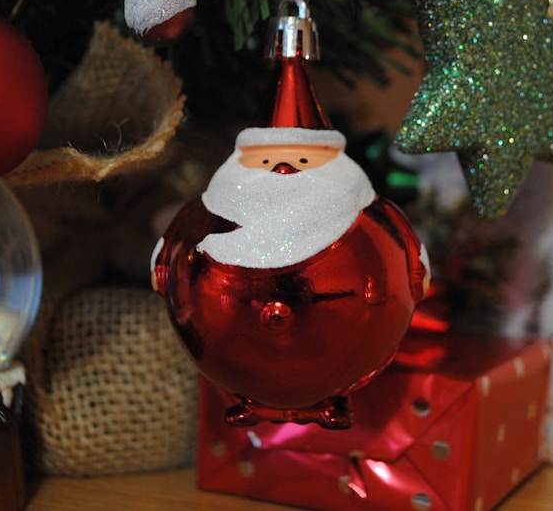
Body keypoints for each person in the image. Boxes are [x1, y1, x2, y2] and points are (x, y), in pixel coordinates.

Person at [152, 99, 430, 428]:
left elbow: (412, 266)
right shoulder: (202, 222)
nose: (284, 168)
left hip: (337, 353)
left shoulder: (372, 219)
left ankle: (322, 400)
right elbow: (166, 262)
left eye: (303, 159)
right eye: (266, 160)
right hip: (238, 355)